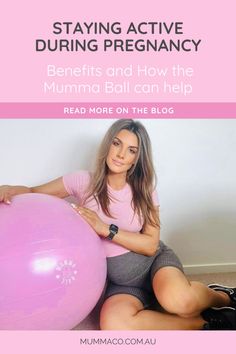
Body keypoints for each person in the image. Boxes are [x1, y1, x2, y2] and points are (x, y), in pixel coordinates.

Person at [0, 119, 235, 330]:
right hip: (120, 283)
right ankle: (210, 323)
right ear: (108, 145)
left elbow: (150, 245)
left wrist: (105, 229)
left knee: (179, 301)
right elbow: (34, 193)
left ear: (136, 159)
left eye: (131, 150)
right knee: (114, 325)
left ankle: (223, 297)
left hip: (153, 266)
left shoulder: (144, 191)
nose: (121, 154)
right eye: (117, 144)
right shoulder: (83, 181)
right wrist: (8, 189)